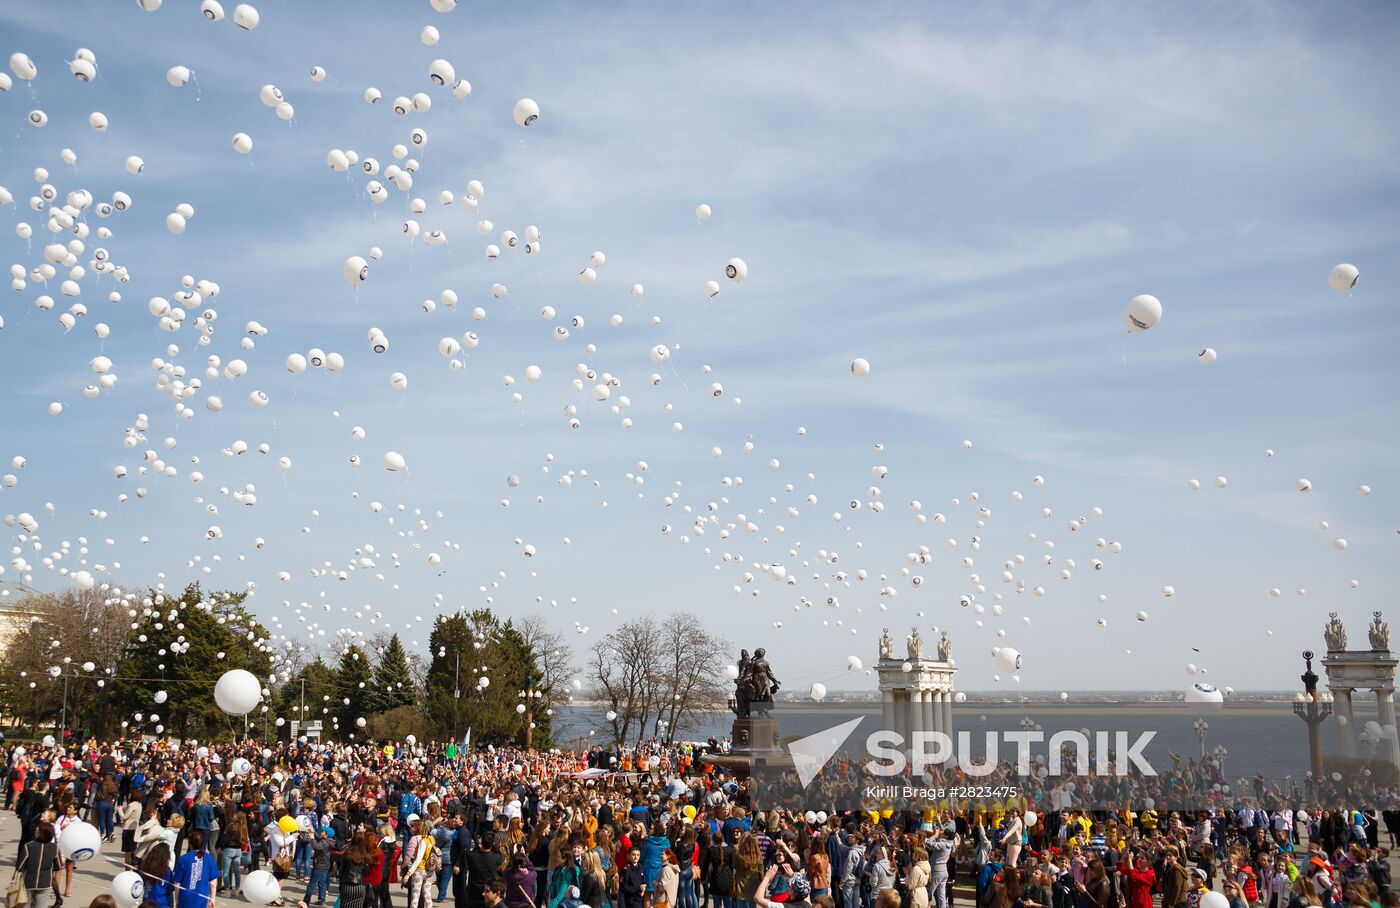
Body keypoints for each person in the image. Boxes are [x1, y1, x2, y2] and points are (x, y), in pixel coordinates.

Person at [16, 822, 61, 908]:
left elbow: (20, 867)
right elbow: (58, 866)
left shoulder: (28, 846)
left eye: (38, 830)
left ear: (41, 833)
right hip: (45, 883)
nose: (35, 831)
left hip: (29, 883)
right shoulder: (54, 847)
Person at [172, 830, 221, 908]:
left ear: (189, 844)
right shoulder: (208, 858)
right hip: (202, 898)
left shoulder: (183, 859)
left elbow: (177, 884)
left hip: (185, 899)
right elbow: (213, 883)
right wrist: (212, 900)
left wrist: (177, 901)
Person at [142, 844, 176, 908]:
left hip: (147, 902)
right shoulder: (166, 870)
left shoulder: (145, 866)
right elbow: (170, 888)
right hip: (161, 903)